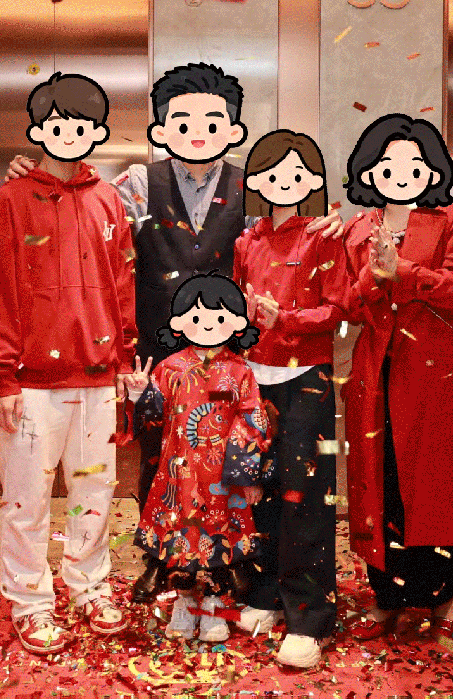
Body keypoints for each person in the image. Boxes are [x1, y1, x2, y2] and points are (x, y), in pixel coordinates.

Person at [6, 63, 343, 603]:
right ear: (161, 127)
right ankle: (161, 558)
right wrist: (36, 172)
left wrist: (333, 220)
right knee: (159, 456)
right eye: (183, 120)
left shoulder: (253, 185)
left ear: (233, 128)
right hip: (157, 349)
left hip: (232, 352)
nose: (198, 132)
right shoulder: (138, 184)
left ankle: (231, 557)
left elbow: (291, 227)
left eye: (213, 120)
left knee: (231, 453)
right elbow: (84, 207)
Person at [0, 72, 137, 655]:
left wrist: (124, 360)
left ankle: (90, 585)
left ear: (98, 130)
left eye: (82, 124)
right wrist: (2, 376)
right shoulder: (12, 199)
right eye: (58, 124)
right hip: (31, 382)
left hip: (98, 375)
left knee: (94, 492)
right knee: (27, 499)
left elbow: (122, 284)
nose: (70, 133)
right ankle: (30, 601)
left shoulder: (108, 199)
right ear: (38, 129)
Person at [340, 114, 453, 651]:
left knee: (438, 486)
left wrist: (403, 270)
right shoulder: (357, 228)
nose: (401, 173)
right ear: (369, 171)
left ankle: (442, 595)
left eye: (415, 163)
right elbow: (351, 305)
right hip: (378, 374)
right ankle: (387, 594)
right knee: (380, 485)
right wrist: (373, 272)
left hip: (439, 376)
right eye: (387, 164)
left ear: (434, 170)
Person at [230, 130, 349, 668]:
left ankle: (309, 617)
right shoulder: (247, 241)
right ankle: (265, 594)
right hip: (256, 378)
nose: (284, 184)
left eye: (297, 174)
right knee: (261, 488)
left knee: (306, 495)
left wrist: (288, 319)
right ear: (255, 180)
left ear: (313, 181)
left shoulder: (323, 237)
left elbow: (339, 309)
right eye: (273, 174)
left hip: (307, 378)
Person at [121, 273, 269, 642]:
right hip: (179, 475)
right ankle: (184, 604)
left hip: (222, 477)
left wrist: (244, 475)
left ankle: (215, 606)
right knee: (179, 540)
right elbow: (154, 419)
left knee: (221, 541)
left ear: (236, 323)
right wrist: (141, 395)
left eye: (219, 318)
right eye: (198, 316)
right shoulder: (169, 368)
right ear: (179, 322)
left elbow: (252, 420)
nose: (208, 325)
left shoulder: (241, 372)